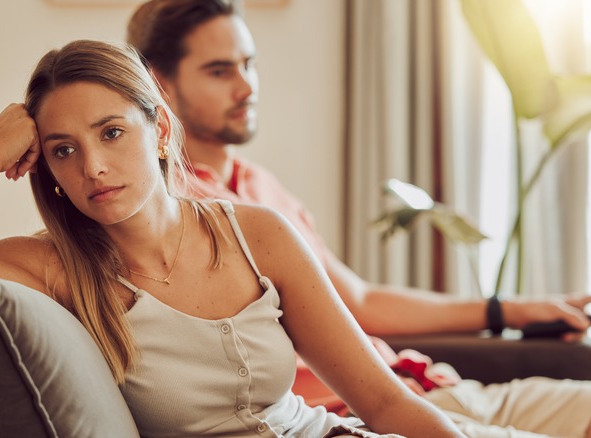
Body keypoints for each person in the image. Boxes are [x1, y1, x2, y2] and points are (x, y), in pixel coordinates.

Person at [0, 40, 464, 437]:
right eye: (63, 150)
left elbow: (384, 403)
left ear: (160, 130)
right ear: (41, 166)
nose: (93, 167)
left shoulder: (256, 232)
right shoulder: (47, 267)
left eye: (112, 132)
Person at [126, 1, 591, 437]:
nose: (247, 86)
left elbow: (358, 299)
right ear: (157, 83)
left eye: (249, 64)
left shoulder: (259, 186)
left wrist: (506, 309)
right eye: (220, 71)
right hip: (358, 411)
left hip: (426, 387)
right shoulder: (171, 215)